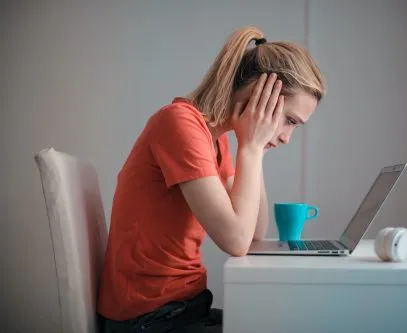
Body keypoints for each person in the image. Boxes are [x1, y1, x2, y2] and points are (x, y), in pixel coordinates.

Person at [97, 26, 326, 332]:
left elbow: (254, 231)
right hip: (148, 318)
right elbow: (236, 241)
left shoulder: (214, 139)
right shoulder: (179, 124)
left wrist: (256, 148)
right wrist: (252, 147)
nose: (287, 137)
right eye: (290, 120)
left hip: (184, 307)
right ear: (261, 94)